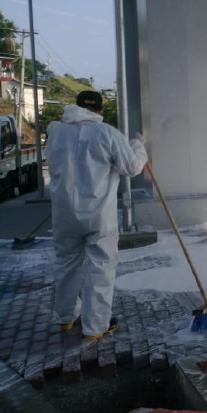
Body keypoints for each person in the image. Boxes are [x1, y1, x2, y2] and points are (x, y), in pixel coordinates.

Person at [47, 91, 148, 341]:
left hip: (64, 213)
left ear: (77, 107)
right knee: (100, 268)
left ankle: (65, 318)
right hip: (97, 215)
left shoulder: (56, 131)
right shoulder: (107, 134)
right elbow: (131, 167)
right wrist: (138, 146)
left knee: (67, 264)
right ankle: (94, 328)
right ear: (100, 111)